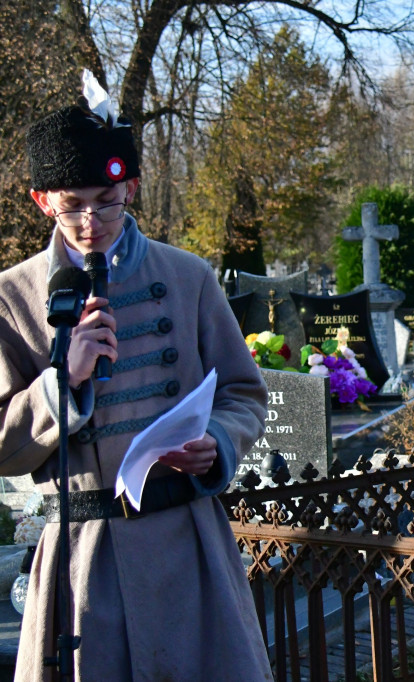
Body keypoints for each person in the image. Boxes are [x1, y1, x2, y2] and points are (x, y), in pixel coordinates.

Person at [0, 72, 272, 679]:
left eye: (107, 199)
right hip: (81, 560)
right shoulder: (11, 298)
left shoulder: (189, 277)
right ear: (42, 200)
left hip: (188, 544)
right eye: (72, 205)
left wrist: (219, 443)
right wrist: (60, 384)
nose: (91, 219)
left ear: (132, 189)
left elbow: (242, 391)